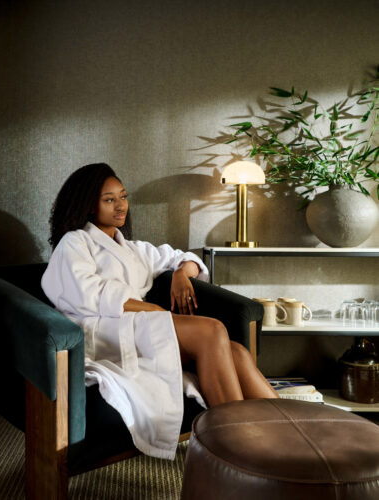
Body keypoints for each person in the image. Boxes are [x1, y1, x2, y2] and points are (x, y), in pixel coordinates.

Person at [41, 163, 278, 459]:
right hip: (102, 331)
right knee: (213, 330)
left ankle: (286, 434)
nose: (120, 206)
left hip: (141, 328)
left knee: (236, 352)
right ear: (89, 205)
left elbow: (186, 258)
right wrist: (149, 309)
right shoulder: (75, 242)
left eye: (123, 197)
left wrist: (180, 274)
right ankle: (236, 450)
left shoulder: (133, 249)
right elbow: (88, 292)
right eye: (109, 199)